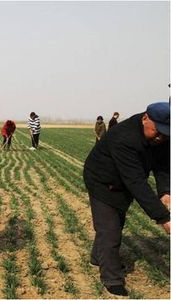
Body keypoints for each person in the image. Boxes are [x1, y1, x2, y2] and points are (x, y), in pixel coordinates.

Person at [83, 102, 170, 296]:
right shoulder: (124, 137)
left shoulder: (162, 136)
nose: (160, 137)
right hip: (102, 180)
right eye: (157, 131)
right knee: (110, 229)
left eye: (165, 134)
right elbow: (136, 181)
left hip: (123, 181)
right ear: (145, 118)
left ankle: (97, 257)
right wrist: (163, 217)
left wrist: (165, 191)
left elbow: (163, 165)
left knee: (115, 222)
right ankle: (112, 278)